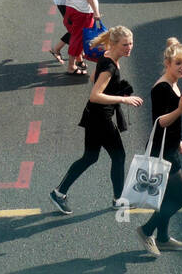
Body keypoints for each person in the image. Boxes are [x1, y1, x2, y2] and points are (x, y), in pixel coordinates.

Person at [48, 25, 143, 215]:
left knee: (90, 157)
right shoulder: (110, 65)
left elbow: (93, 77)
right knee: (118, 156)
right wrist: (123, 98)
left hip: (94, 115)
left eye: (131, 43)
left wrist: (114, 90)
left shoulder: (108, 56)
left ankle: (59, 193)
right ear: (115, 44)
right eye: (125, 44)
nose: (129, 47)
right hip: (100, 118)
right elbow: (95, 94)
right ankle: (118, 200)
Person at [136, 38, 182, 256]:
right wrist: (181, 110)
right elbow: (159, 121)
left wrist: (177, 139)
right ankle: (146, 230)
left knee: (168, 198)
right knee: (180, 198)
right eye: (178, 63)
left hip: (169, 146)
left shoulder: (172, 81)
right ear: (167, 63)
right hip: (163, 152)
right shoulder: (162, 87)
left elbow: (167, 124)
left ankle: (162, 239)